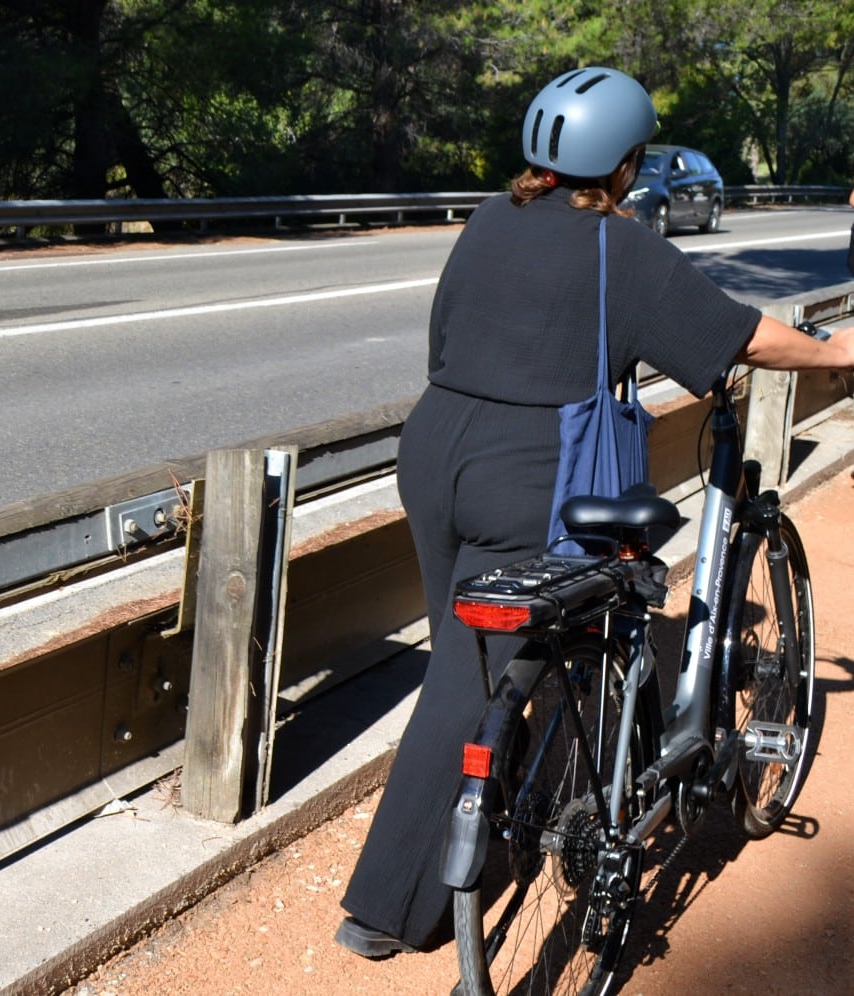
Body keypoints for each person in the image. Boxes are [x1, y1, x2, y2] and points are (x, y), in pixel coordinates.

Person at [333, 66, 854, 960]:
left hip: (435, 447)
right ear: (620, 161)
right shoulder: (622, 247)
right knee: (482, 681)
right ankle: (386, 909)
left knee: (461, 657)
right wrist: (832, 348)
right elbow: (738, 336)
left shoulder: (489, 220)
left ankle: (480, 824)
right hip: (527, 467)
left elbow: (450, 335)